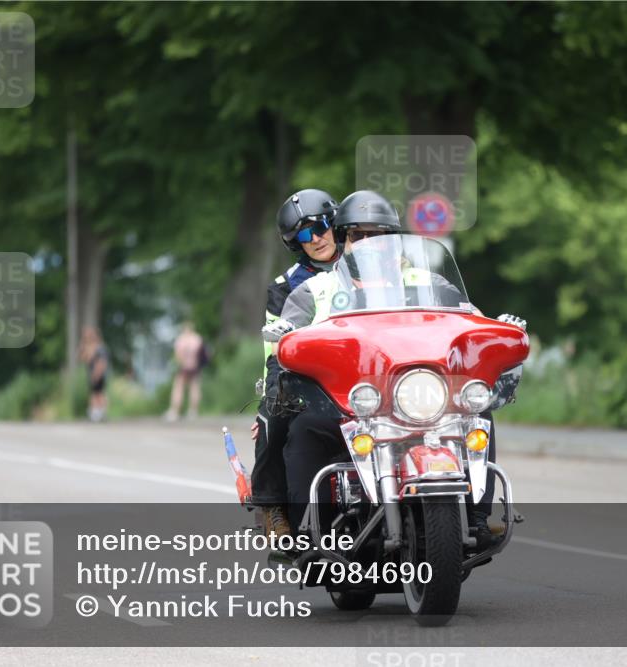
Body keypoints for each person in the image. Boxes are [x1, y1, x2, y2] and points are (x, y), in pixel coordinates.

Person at [267, 191, 519, 547]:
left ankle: (477, 519)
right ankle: (307, 531)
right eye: (358, 236)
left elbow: (471, 321)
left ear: (395, 241)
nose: (370, 244)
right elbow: (284, 344)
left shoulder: (428, 283)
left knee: (478, 415)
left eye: (379, 235)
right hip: (348, 401)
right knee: (304, 428)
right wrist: (288, 344)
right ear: (343, 240)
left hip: (418, 395)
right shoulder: (315, 290)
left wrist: (499, 329)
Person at [251, 188, 342, 538]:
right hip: (303, 369)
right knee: (273, 409)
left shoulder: (364, 265)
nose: (316, 237)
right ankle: (273, 506)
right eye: (304, 234)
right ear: (295, 243)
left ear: (333, 223)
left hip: (364, 368)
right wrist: (272, 387)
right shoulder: (285, 286)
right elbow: (273, 352)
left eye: (320, 226)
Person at [165, 322, 205, 421]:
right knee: (194, 388)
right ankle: (193, 411)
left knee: (178, 388)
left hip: (183, 367)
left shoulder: (181, 339)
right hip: (195, 367)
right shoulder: (197, 339)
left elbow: (178, 355)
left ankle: (175, 411)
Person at [79, 326, 108, 422]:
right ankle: (97, 413)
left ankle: (99, 413)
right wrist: (83, 344)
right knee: (95, 393)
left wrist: (96, 374)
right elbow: (83, 358)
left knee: (98, 394)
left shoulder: (99, 348)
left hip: (98, 374)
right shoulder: (91, 347)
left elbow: (102, 363)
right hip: (93, 374)